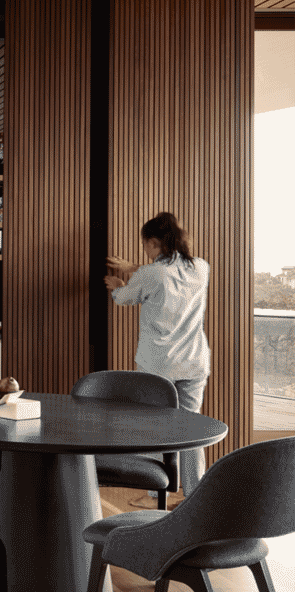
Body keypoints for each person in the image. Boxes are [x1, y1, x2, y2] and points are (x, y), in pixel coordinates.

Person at [105, 211, 210, 496]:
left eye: (145, 245)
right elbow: (165, 273)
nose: (145, 252)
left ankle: (157, 491)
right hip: (193, 362)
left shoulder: (150, 274)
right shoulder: (201, 268)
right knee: (191, 428)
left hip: (158, 366)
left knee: (155, 427)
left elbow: (126, 298)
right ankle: (194, 493)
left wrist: (118, 286)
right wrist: (134, 269)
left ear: (153, 242)